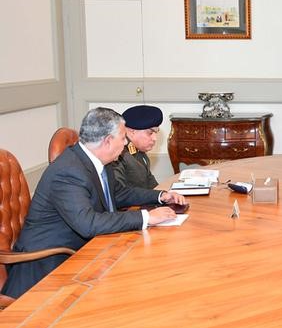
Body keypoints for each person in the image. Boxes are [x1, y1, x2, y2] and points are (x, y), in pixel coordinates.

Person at [1, 107, 185, 299]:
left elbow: (119, 194)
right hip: (48, 267)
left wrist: (160, 196)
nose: (125, 144)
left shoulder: (96, 161)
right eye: (123, 138)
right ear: (107, 141)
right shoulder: (68, 172)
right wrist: (146, 217)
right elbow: (88, 224)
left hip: (83, 254)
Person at [112, 105, 163, 190]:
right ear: (132, 132)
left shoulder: (140, 152)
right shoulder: (119, 155)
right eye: (150, 133)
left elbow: (152, 185)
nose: (155, 138)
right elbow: (120, 193)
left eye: (156, 133)